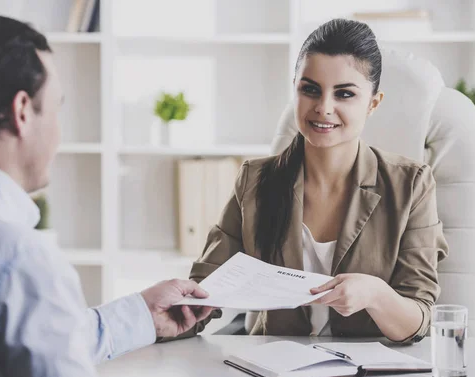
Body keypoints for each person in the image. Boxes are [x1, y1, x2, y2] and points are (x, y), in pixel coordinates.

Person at [0, 16, 211, 377]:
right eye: (56, 108)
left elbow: (33, 341)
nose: (59, 131)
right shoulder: (16, 260)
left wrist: (142, 312)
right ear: (22, 111)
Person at [187, 19, 449, 343]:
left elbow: (418, 321)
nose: (324, 108)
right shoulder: (254, 180)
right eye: (310, 89)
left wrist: (376, 296)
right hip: (271, 376)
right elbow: (202, 289)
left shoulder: (412, 186)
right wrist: (157, 318)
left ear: (373, 103)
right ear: (294, 88)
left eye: (345, 94)